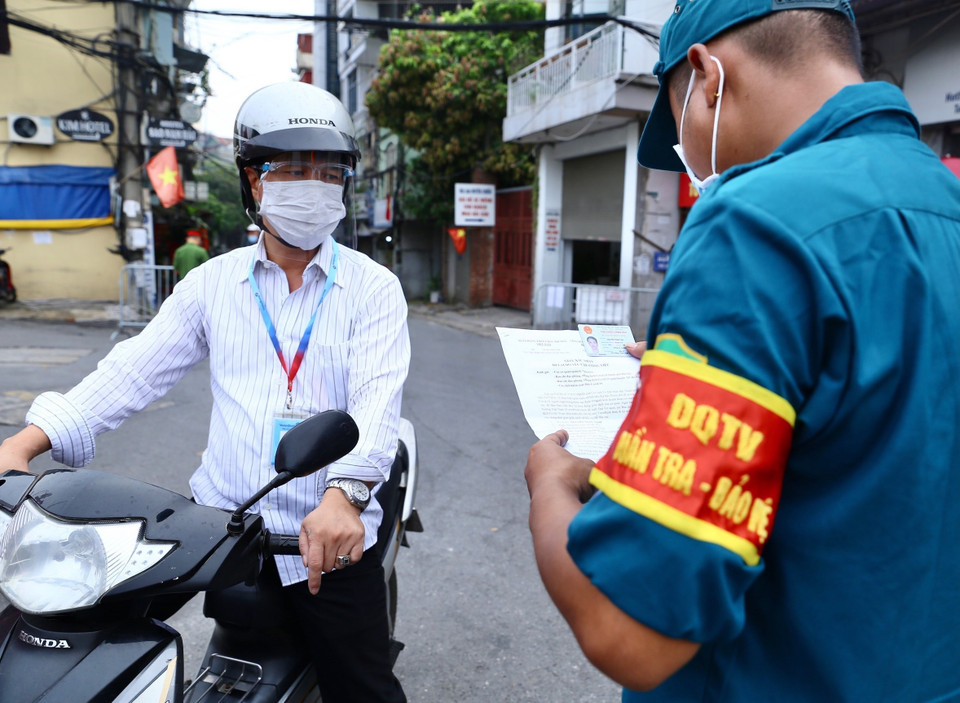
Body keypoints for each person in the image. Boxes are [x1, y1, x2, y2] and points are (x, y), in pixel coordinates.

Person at [524, 1, 960, 701]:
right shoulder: (943, 200)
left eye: (681, 133)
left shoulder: (756, 223)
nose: (693, 164)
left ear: (707, 78)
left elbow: (628, 632)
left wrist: (548, 484)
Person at [0, 82, 410, 703]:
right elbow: (134, 370)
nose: (314, 185)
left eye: (330, 172)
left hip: (328, 532)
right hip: (223, 518)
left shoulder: (374, 289)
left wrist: (345, 496)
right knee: (74, 621)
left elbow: (378, 400)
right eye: (293, 169)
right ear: (253, 180)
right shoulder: (211, 285)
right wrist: (27, 442)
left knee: (366, 690)